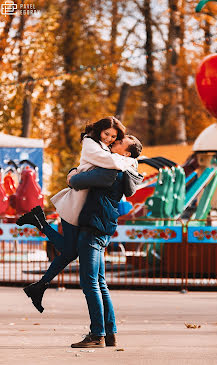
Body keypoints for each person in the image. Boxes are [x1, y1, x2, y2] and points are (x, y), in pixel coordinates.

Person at [17, 134, 143, 348]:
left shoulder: (112, 171)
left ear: (126, 153)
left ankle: (97, 335)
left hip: (93, 228)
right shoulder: (127, 169)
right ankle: (109, 333)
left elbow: (76, 181)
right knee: (99, 282)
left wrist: (72, 173)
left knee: (90, 283)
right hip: (102, 227)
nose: (115, 142)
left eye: (121, 142)